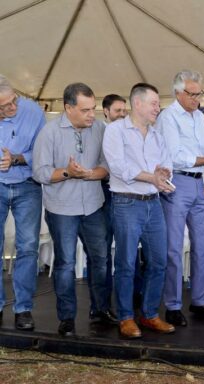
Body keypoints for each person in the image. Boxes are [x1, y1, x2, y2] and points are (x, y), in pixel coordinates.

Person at [33, 82, 112, 336]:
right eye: (85, 110)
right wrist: (68, 172)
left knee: (100, 260)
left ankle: (100, 310)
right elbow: (40, 172)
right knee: (65, 264)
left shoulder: (100, 128)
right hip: (61, 209)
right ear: (68, 108)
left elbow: (106, 166)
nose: (92, 115)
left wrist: (89, 174)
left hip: (93, 206)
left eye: (94, 109)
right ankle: (66, 317)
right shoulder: (49, 132)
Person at [157, 70, 204, 327]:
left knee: (202, 245)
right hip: (176, 181)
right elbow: (176, 155)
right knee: (174, 247)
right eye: (193, 94)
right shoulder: (167, 117)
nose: (197, 99)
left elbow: (202, 149)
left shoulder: (199, 116)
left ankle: (200, 301)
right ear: (178, 92)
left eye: (200, 93)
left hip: (199, 183)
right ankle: (173, 305)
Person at [103, 83, 175, 339]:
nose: (158, 108)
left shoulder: (157, 135)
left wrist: (164, 175)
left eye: (158, 103)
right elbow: (119, 167)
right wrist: (151, 177)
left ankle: (149, 314)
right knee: (126, 263)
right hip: (126, 203)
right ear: (138, 104)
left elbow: (166, 164)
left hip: (153, 203)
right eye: (154, 103)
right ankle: (126, 317)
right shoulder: (115, 130)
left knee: (158, 262)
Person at [0, 75, 45, 330]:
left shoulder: (32, 110)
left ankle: (23, 308)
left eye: (13, 101)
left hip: (27, 186)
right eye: (5, 106)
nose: (13, 108)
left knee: (28, 247)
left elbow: (40, 151)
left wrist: (16, 158)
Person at [86, 94, 127, 323]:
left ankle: (129, 301)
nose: (122, 114)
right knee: (101, 253)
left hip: (126, 196)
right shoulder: (99, 133)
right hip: (103, 195)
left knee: (128, 249)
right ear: (106, 112)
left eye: (124, 110)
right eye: (117, 110)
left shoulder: (132, 133)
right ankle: (100, 306)